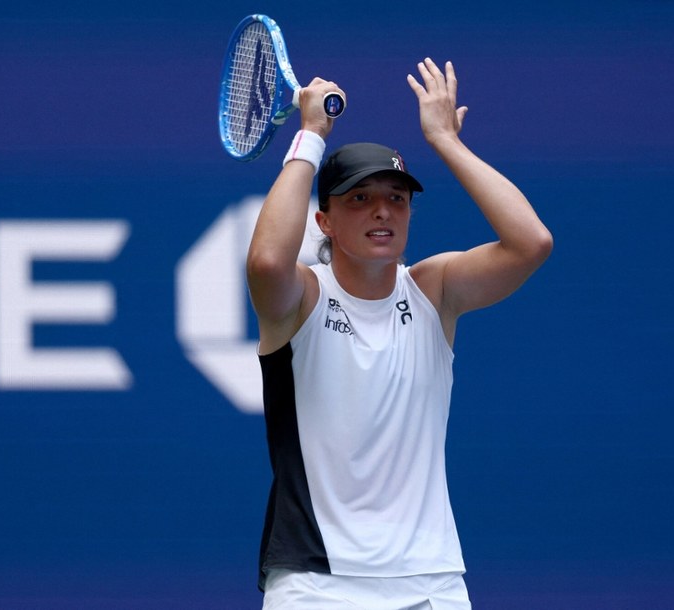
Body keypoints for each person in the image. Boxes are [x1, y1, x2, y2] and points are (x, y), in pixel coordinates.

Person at [246, 57, 553, 609]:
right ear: (324, 221)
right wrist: (311, 135)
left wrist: (446, 142)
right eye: (359, 199)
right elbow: (267, 262)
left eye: (396, 198)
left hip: (431, 581)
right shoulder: (302, 300)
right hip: (316, 583)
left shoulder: (435, 291)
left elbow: (531, 244)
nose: (382, 212)